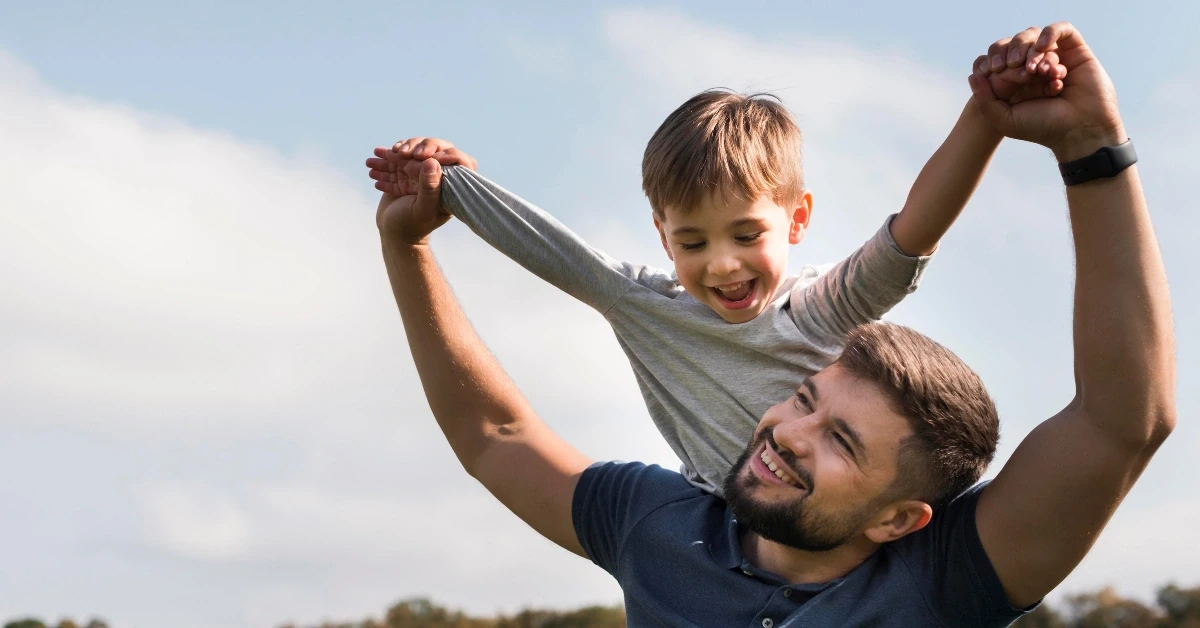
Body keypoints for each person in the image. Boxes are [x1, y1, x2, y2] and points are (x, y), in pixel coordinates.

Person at [379, 23, 1174, 627]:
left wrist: (1091, 148)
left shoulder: (942, 580)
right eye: (803, 397)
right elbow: (494, 436)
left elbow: (1123, 422)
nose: (790, 434)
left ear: (899, 518)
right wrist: (406, 245)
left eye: (843, 443)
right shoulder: (655, 529)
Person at [366, 37, 1066, 495]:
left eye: (746, 233)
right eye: (693, 242)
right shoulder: (645, 306)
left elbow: (913, 232)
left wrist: (986, 115)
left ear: (796, 219)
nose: (724, 264)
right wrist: (449, 183)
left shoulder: (820, 309)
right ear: (663, 237)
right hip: (722, 531)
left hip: (849, 532)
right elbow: (549, 247)